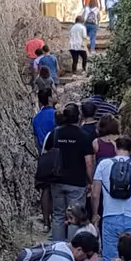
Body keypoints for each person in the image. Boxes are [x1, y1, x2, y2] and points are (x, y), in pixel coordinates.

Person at [91, 146, 131, 261]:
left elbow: (95, 194)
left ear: (115, 147)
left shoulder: (103, 164)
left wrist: (95, 214)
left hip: (110, 217)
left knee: (110, 258)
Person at [45, 104, 94, 244]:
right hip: (76, 182)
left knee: (59, 215)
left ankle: (57, 248)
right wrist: (91, 181)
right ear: (78, 117)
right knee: (76, 216)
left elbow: (47, 153)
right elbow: (89, 162)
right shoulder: (84, 136)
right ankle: (73, 248)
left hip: (57, 180)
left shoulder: (55, 133)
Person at [31, 84, 56, 154]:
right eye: (53, 94)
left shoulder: (36, 118)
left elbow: (36, 140)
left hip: (43, 154)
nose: (55, 95)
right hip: (56, 154)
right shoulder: (56, 115)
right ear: (49, 98)